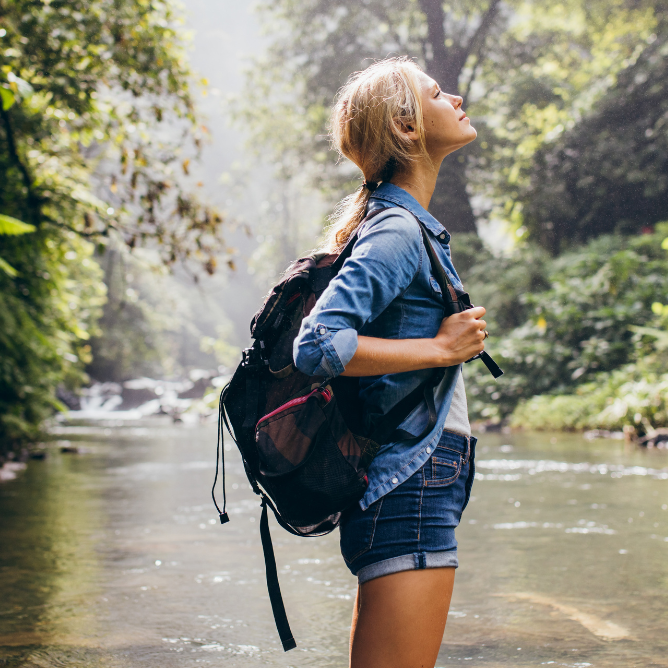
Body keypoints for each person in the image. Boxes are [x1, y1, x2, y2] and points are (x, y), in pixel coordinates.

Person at [292, 57, 488, 668]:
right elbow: (317, 344)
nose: (454, 97)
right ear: (407, 127)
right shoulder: (399, 231)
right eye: (436, 93)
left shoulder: (409, 227)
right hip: (411, 482)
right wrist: (440, 349)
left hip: (417, 479)